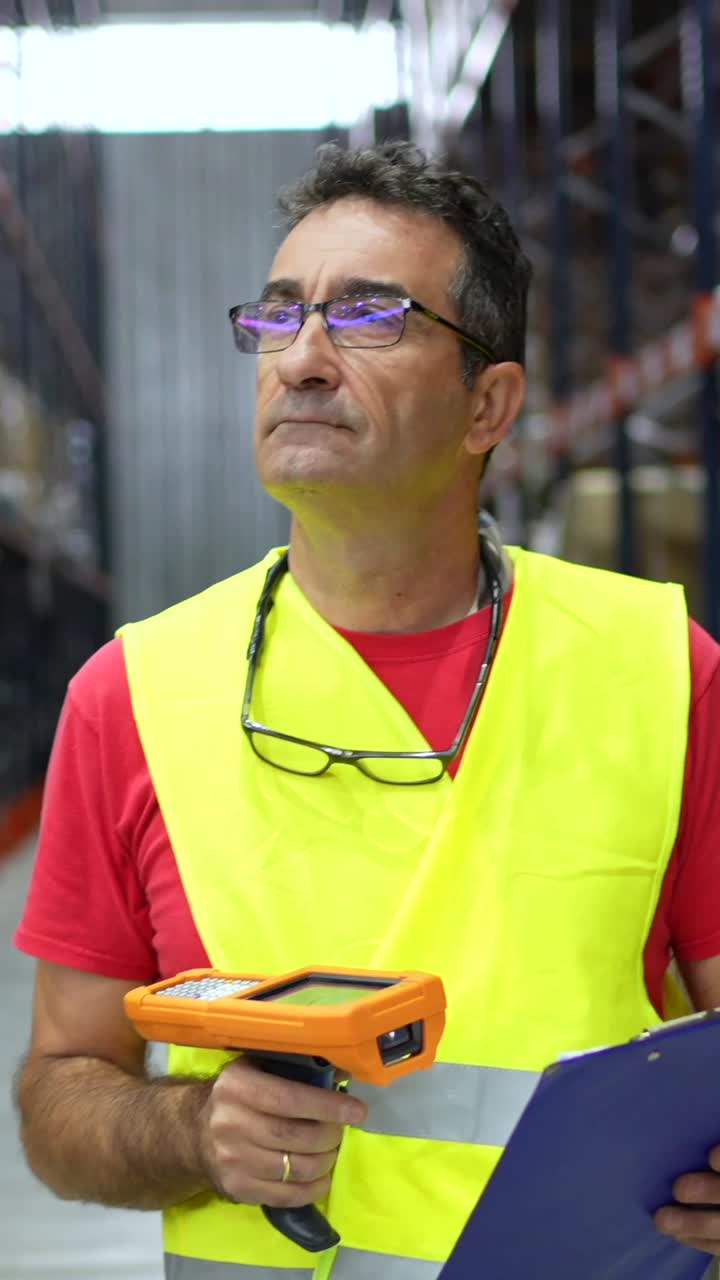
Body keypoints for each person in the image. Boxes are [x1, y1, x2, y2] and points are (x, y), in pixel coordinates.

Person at [12, 140, 720, 1279]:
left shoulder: (659, 668)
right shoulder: (132, 693)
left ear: (487, 402)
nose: (299, 359)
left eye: (369, 317)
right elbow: (60, 1095)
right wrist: (194, 1130)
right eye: (278, 316)